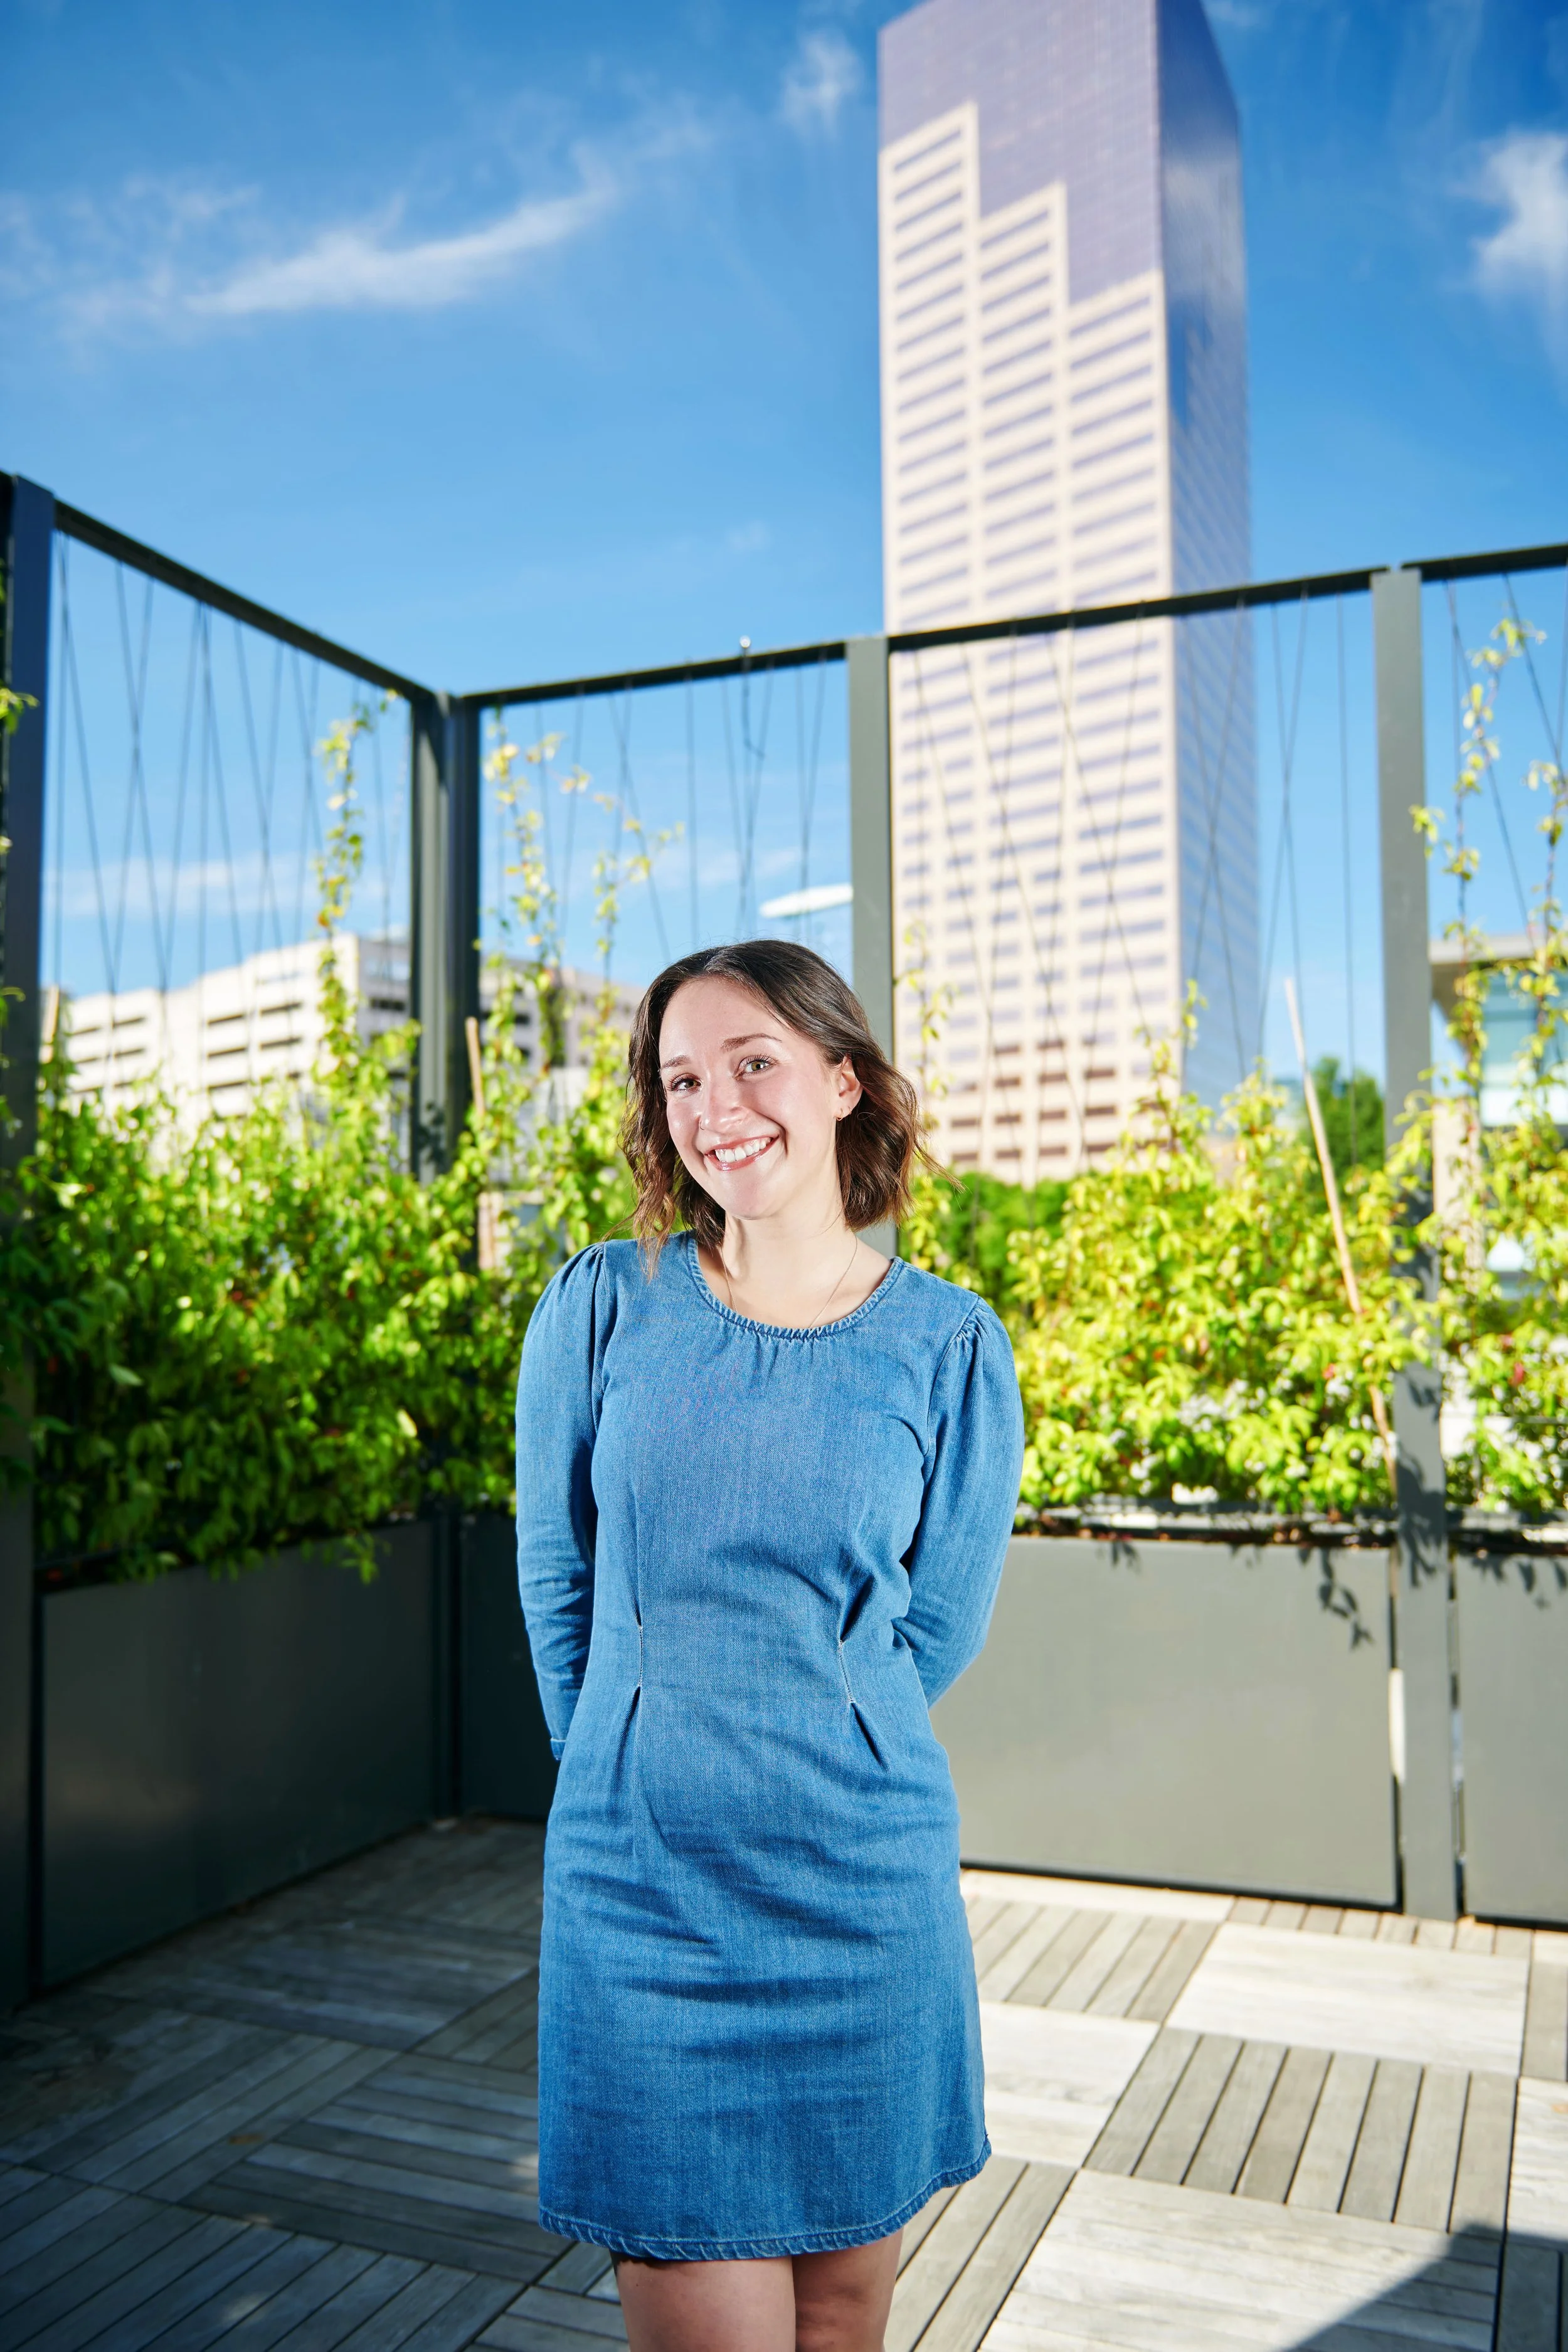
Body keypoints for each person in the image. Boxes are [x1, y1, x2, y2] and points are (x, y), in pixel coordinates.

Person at [515, 939, 1024, 2352]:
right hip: (645, 1897)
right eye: (681, 1078)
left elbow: (938, 1622)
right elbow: (555, 1580)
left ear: (842, 1082)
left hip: (858, 1893)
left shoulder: (951, 1347)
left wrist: (808, 1730)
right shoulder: (603, 1304)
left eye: (754, 1063)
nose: (716, 1105)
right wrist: (632, 1752)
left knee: (841, 2325)